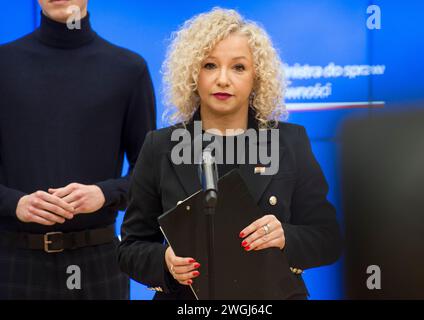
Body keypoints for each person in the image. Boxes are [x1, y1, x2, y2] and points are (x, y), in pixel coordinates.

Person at [117, 8, 341, 300]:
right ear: (192, 73)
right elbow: (131, 247)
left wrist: (287, 237)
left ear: (256, 77)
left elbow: (329, 239)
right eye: (210, 65)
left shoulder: (289, 142)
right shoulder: (160, 146)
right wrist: (165, 262)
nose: (223, 79)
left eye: (238, 67)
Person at [0, 0, 155, 299]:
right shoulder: (3, 66)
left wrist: (104, 194)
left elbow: (151, 173)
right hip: (11, 261)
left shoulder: (128, 69)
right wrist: (15, 204)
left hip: (98, 263)